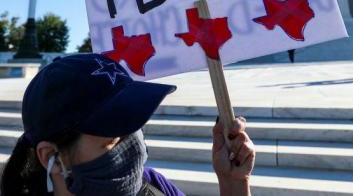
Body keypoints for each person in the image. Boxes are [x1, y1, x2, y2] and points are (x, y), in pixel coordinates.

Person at [0, 53, 256, 196]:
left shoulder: (154, 186)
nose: (134, 147)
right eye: (112, 139)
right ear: (51, 157)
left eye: (134, 126)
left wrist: (233, 182)